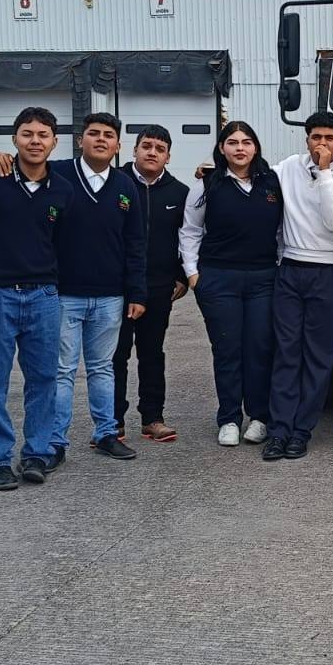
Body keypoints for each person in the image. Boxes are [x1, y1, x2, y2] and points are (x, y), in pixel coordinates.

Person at [0, 115, 148, 463]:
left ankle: (106, 433)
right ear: (79, 140)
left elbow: (135, 243)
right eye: (93, 134)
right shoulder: (57, 175)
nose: (101, 140)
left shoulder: (125, 186)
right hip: (63, 295)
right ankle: (55, 441)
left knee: (103, 368)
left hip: (110, 296)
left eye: (108, 135)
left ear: (118, 145)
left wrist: (137, 292)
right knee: (60, 370)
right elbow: (24, 167)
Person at [0, 106, 72, 490]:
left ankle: (37, 453)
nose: (35, 141)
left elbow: (61, 244)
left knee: (44, 378)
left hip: (43, 297)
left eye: (43, 135)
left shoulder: (62, 189)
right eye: (27, 133)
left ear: (54, 142)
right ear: (14, 138)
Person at [261, 111, 333, 462]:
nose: (322, 144)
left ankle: (301, 432)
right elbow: (254, 177)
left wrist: (325, 172)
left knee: (319, 356)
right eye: (316, 137)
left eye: (329, 138)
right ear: (306, 140)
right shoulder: (288, 167)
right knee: (286, 353)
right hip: (290, 269)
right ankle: (278, 431)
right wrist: (210, 171)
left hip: (328, 272)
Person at [179, 120, 282, 447]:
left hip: (263, 279)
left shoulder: (272, 182)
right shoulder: (206, 184)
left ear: (256, 147)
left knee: (260, 348)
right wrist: (193, 274)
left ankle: (259, 417)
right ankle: (228, 418)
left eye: (246, 142)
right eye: (233, 142)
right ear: (222, 148)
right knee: (227, 349)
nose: (240, 148)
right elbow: (190, 231)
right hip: (218, 278)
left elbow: (282, 230)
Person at [113, 125, 190, 445]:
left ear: (168, 157)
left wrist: (181, 275)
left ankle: (152, 418)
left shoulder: (180, 193)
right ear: (134, 150)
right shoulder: (115, 182)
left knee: (152, 354)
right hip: (116, 286)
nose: (152, 152)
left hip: (158, 286)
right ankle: (112, 421)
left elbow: (189, 237)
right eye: (146, 146)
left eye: (160, 148)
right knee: (115, 355)